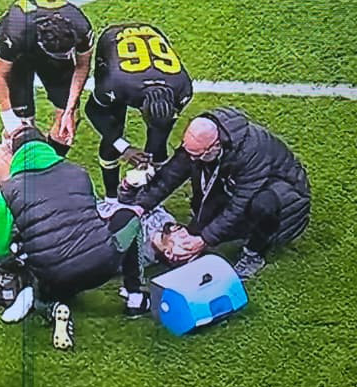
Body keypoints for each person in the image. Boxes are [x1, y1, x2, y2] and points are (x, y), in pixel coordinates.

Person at [0, 128, 148, 349]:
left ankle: (53, 309)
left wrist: (14, 263)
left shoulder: (9, 190)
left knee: (39, 290)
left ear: (15, 156)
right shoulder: (78, 172)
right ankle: (135, 295)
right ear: (45, 146)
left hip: (56, 276)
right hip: (102, 263)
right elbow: (91, 215)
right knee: (129, 218)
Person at [122, 108, 310, 278]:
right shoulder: (204, 142)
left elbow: (240, 204)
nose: (191, 158)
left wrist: (205, 239)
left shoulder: (252, 154)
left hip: (285, 198)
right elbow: (173, 172)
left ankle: (254, 253)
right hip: (236, 185)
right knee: (199, 177)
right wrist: (141, 206)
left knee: (262, 205)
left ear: (214, 146)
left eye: (196, 154)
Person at [85, 23, 193, 209]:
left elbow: (160, 132)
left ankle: (149, 201)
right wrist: (124, 148)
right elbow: (93, 111)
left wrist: (149, 161)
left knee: (158, 143)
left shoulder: (183, 89)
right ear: (141, 109)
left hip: (152, 34)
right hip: (113, 40)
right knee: (113, 129)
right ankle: (111, 200)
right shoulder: (116, 84)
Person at [0, 0, 93, 155]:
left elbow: (82, 65)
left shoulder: (81, 27)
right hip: (22, 55)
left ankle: (50, 162)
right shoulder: (15, 33)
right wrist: (8, 116)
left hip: (52, 58)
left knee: (68, 120)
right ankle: (15, 161)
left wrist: (69, 109)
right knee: (20, 125)